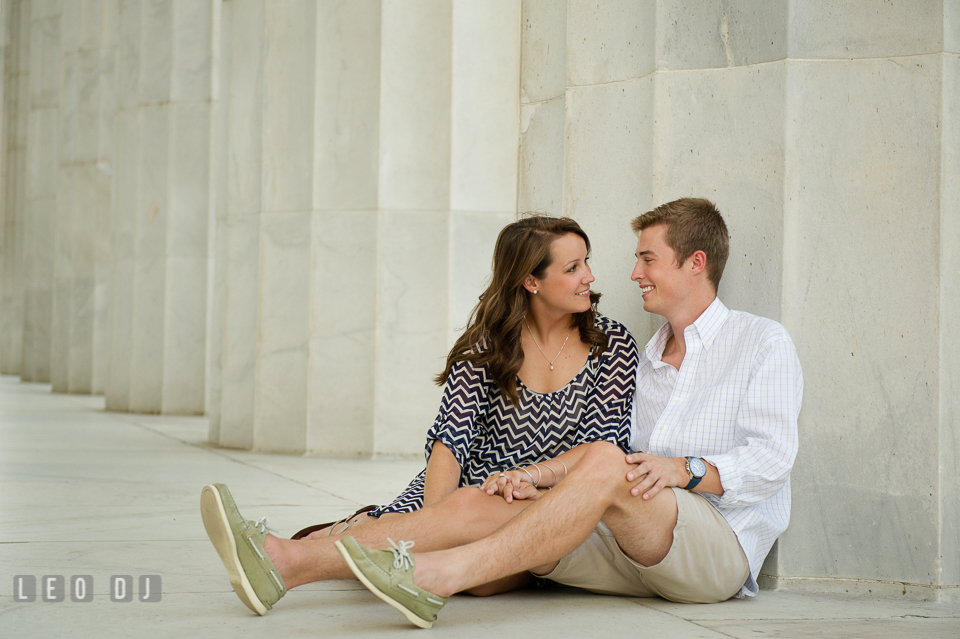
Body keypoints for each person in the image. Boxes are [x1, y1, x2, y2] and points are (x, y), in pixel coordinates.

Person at [332, 197, 804, 628]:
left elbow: (772, 461)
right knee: (480, 503)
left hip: (713, 543)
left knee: (597, 463)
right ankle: (288, 561)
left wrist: (683, 469)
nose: (631, 273)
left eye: (647, 258)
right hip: (623, 534)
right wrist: (534, 477)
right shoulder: (652, 356)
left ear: (695, 263)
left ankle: (440, 572)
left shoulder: (761, 342)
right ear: (531, 281)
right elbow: (457, 440)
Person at [200, 216, 639, 614]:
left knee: (484, 581)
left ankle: (316, 547)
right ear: (530, 280)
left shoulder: (612, 345)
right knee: (408, 533)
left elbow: (603, 445)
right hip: (465, 488)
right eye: (573, 267)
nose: (590, 277)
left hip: (549, 495)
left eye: (586, 263)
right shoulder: (488, 345)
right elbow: (452, 440)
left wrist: (528, 478)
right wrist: (436, 523)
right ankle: (328, 539)